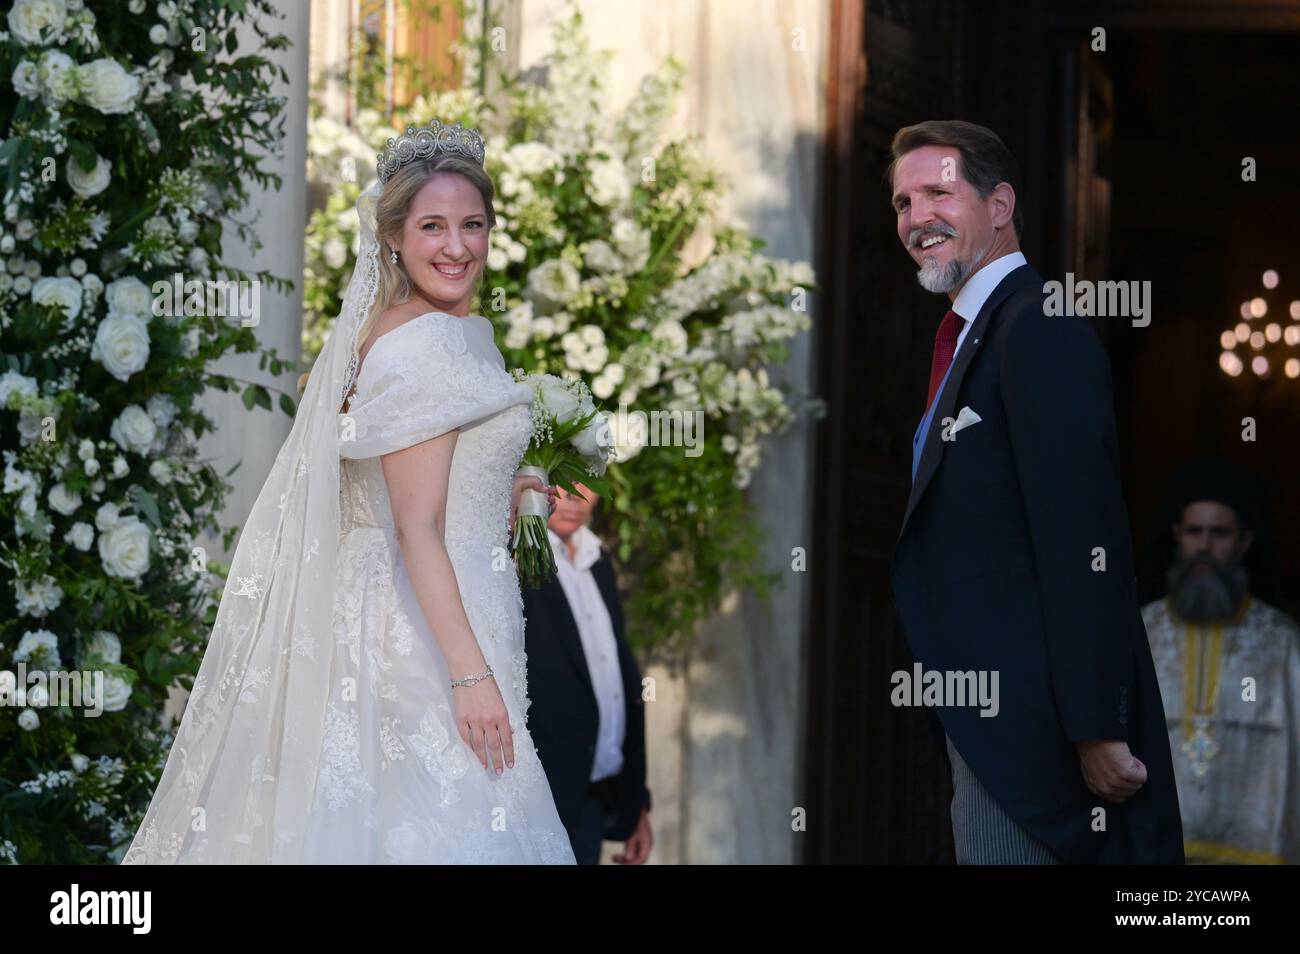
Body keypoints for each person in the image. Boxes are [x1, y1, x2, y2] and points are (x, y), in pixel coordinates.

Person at [122, 120, 576, 863]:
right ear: (393, 235)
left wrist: (515, 483)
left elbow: (420, 479)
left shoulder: (430, 329)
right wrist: (469, 677)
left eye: (473, 225)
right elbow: (417, 527)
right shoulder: (424, 342)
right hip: (429, 635)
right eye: (432, 226)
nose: (456, 246)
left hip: (419, 606)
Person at [887, 120, 1183, 863]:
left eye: (938, 192)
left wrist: (1098, 727)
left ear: (1000, 204)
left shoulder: (1037, 326)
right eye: (901, 202)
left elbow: (1082, 537)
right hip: (986, 720)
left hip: (1040, 735)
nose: (916, 217)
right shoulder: (973, 334)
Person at [1141, 459, 1300, 863]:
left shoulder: (1281, 640)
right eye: (1194, 532)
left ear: (1244, 542)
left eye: (1220, 533)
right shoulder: (1140, 631)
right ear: (1177, 536)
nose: (1205, 547)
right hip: (1159, 852)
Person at [520, 481, 653, 864]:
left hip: (595, 799)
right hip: (542, 803)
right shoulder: (515, 561)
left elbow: (617, 676)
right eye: (565, 479)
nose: (577, 496)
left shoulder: (598, 560)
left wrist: (635, 801)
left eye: (589, 478)